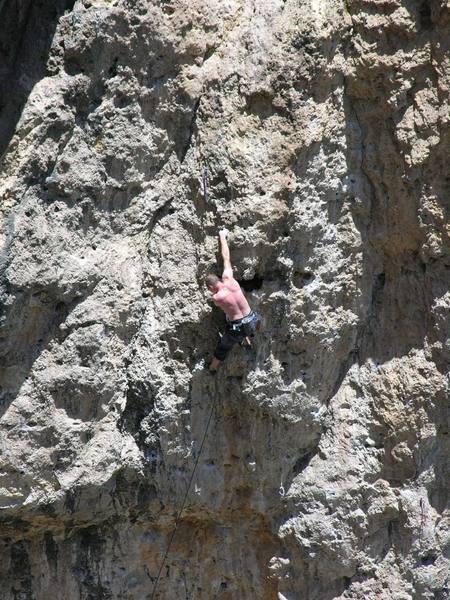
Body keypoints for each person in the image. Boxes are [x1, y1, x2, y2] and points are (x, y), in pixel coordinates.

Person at [206, 229, 261, 371]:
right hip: (253, 320)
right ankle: (247, 339)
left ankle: (212, 368)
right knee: (235, 316)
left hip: (238, 328)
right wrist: (222, 236)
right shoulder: (230, 279)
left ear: (212, 288)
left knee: (223, 345)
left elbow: (226, 308)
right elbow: (226, 258)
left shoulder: (216, 297)